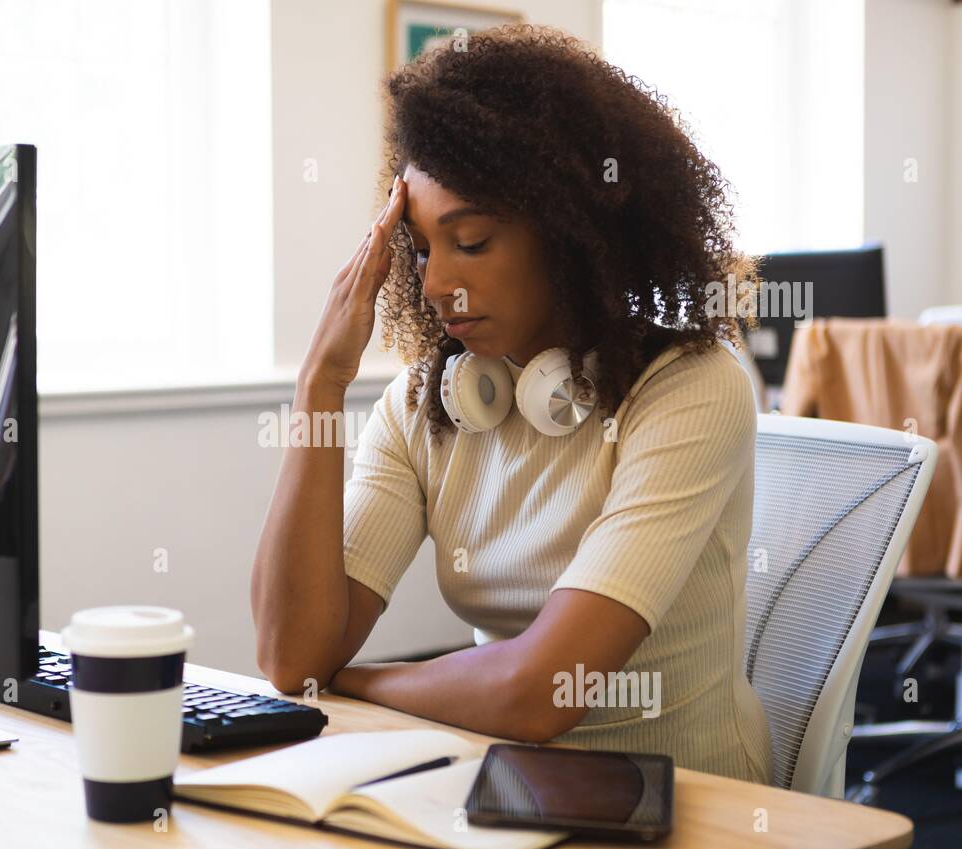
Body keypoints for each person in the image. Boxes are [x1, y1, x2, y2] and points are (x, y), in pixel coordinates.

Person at [251, 25, 771, 784]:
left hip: (693, 806)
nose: (433, 285)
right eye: (422, 249)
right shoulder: (429, 405)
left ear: (568, 233)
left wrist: (354, 681)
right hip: (506, 789)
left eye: (472, 242)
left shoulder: (691, 389)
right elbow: (292, 655)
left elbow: (540, 694)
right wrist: (319, 386)